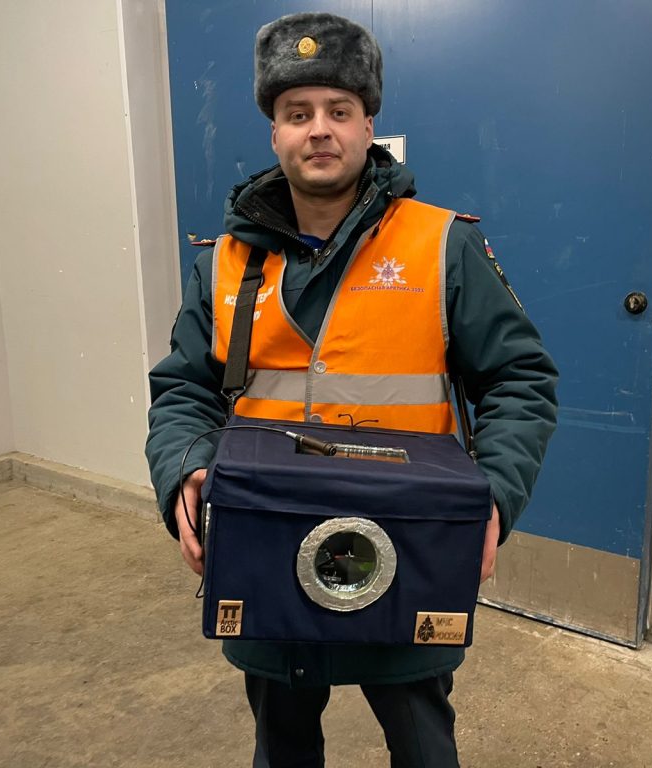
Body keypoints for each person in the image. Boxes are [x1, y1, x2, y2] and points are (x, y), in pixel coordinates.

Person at [145, 12, 558, 767]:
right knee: (283, 747)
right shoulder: (223, 264)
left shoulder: (442, 246)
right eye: (297, 112)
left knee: (424, 749)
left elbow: (519, 379)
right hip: (265, 545)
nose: (319, 130)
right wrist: (184, 469)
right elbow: (185, 390)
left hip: (408, 547)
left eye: (339, 110)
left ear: (369, 126)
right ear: (274, 132)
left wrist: (493, 498)